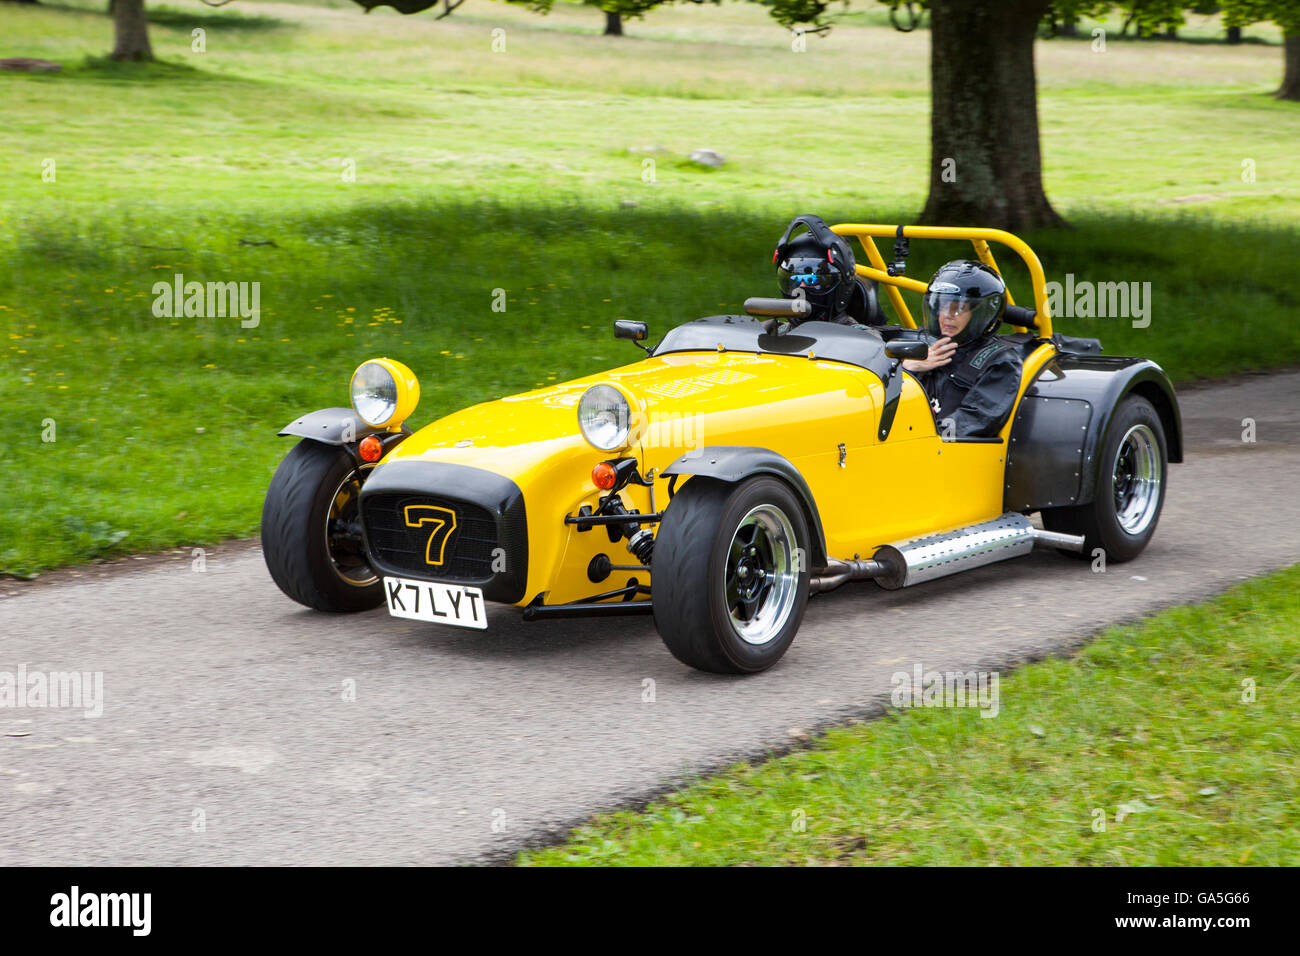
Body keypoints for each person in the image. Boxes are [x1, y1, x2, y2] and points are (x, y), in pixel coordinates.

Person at [902, 260, 1023, 439]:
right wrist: (907, 371)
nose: (948, 316)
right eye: (943, 306)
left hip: (942, 455)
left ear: (979, 314)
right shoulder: (923, 350)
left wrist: (916, 437)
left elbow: (969, 423)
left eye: (959, 308)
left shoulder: (1000, 364)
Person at [773, 215, 878, 327]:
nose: (801, 287)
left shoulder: (861, 339)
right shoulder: (772, 331)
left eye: (812, 280)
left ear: (842, 286)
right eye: (795, 280)